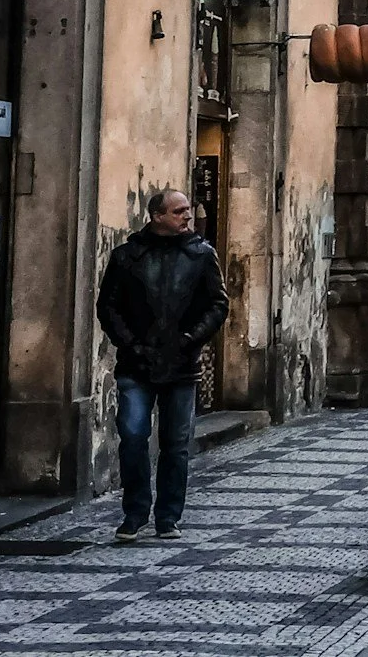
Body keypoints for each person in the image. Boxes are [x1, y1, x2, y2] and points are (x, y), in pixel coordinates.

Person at [95, 188, 229, 544]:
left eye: (187, 211)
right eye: (179, 211)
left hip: (182, 365)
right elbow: (108, 306)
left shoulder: (201, 255)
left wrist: (189, 339)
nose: (188, 216)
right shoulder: (127, 256)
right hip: (136, 364)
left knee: (176, 443)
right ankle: (135, 513)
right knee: (134, 438)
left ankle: (168, 516)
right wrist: (131, 344)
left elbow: (218, 305)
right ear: (157, 216)